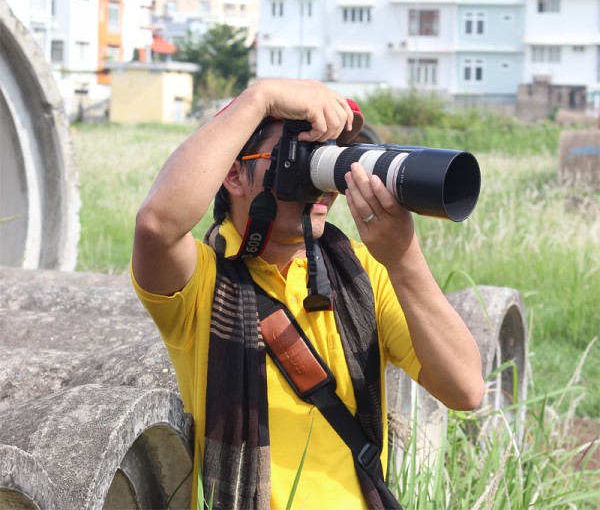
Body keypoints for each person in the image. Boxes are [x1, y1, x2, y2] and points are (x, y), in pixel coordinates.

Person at [131, 78, 485, 510]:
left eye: (330, 155)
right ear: (233, 174)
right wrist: (260, 97)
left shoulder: (362, 272)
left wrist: (403, 258)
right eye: (297, 157)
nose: (320, 179)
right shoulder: (203, 283)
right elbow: (157, 225)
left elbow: (465, 389)